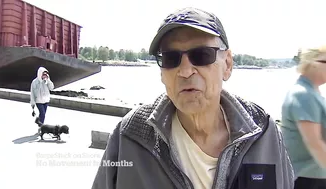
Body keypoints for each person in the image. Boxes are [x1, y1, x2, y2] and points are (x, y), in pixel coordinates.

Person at [92, 7, 294, 189]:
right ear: (162, 73)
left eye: (202, 55)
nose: (186, 71)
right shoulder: (130, 135)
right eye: (171, 58)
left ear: (228, 64)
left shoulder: (264, 133)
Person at [281, 45, 326, 189]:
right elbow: (315, 144)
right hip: (308, 180)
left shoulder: (313, 92)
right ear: (311, 63)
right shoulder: (303, 95)